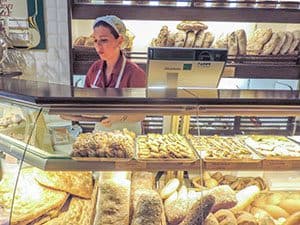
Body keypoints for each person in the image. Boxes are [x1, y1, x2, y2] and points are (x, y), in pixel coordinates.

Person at [83, 15, 146, 132]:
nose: (98, 46)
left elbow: (141, 114)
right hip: (100, 133)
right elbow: (85, 101)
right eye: (95, 40)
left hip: (127, 134)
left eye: (104, 40)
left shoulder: (135, 73)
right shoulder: (94, 68)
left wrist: (120, 116)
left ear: (120, 40)